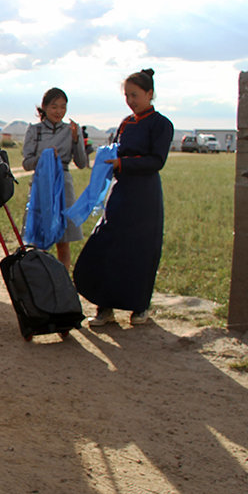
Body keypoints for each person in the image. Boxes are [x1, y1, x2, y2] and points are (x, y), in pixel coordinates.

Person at [73, 69, 173, 327]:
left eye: (135, 95)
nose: (130, 100)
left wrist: (122, 162)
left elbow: (156, 161)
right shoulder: (126, 123)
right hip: (120, 193)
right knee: (106, 246)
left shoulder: (162, 124)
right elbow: (117, 149)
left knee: (139, 251)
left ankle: (139, 306)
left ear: (150, 94)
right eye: (127, 95)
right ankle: (104, 307)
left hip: (145, 198)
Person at [21, 88, 89, 270]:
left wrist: (76, 140)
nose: (59, 111)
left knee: (63, 241)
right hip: (41, 186)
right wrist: (46, 156)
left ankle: (62, 286)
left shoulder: (71, 130)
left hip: (63, 186)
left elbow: (82, 163)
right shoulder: (35, 131)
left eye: (63, 107)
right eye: (54, 107)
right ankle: (38, 284)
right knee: (37, 239)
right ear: (44, 108)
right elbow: (27, 163)